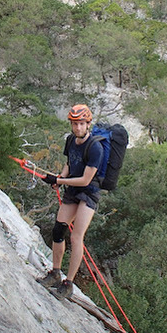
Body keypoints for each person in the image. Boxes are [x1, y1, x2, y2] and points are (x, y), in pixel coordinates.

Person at [36, 104, 103, 300]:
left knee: (76, 237)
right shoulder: (70, 140)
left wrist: (58, 181)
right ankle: (55, 272)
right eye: (74, 124)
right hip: (72, 189)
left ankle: (69, 283)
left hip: (89, 193)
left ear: (88, 124)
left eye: (81, 124)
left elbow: (86, 179)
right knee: (58, 230)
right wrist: (60, 177)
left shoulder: (95, 147)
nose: (77, 128)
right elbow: (69, 163)